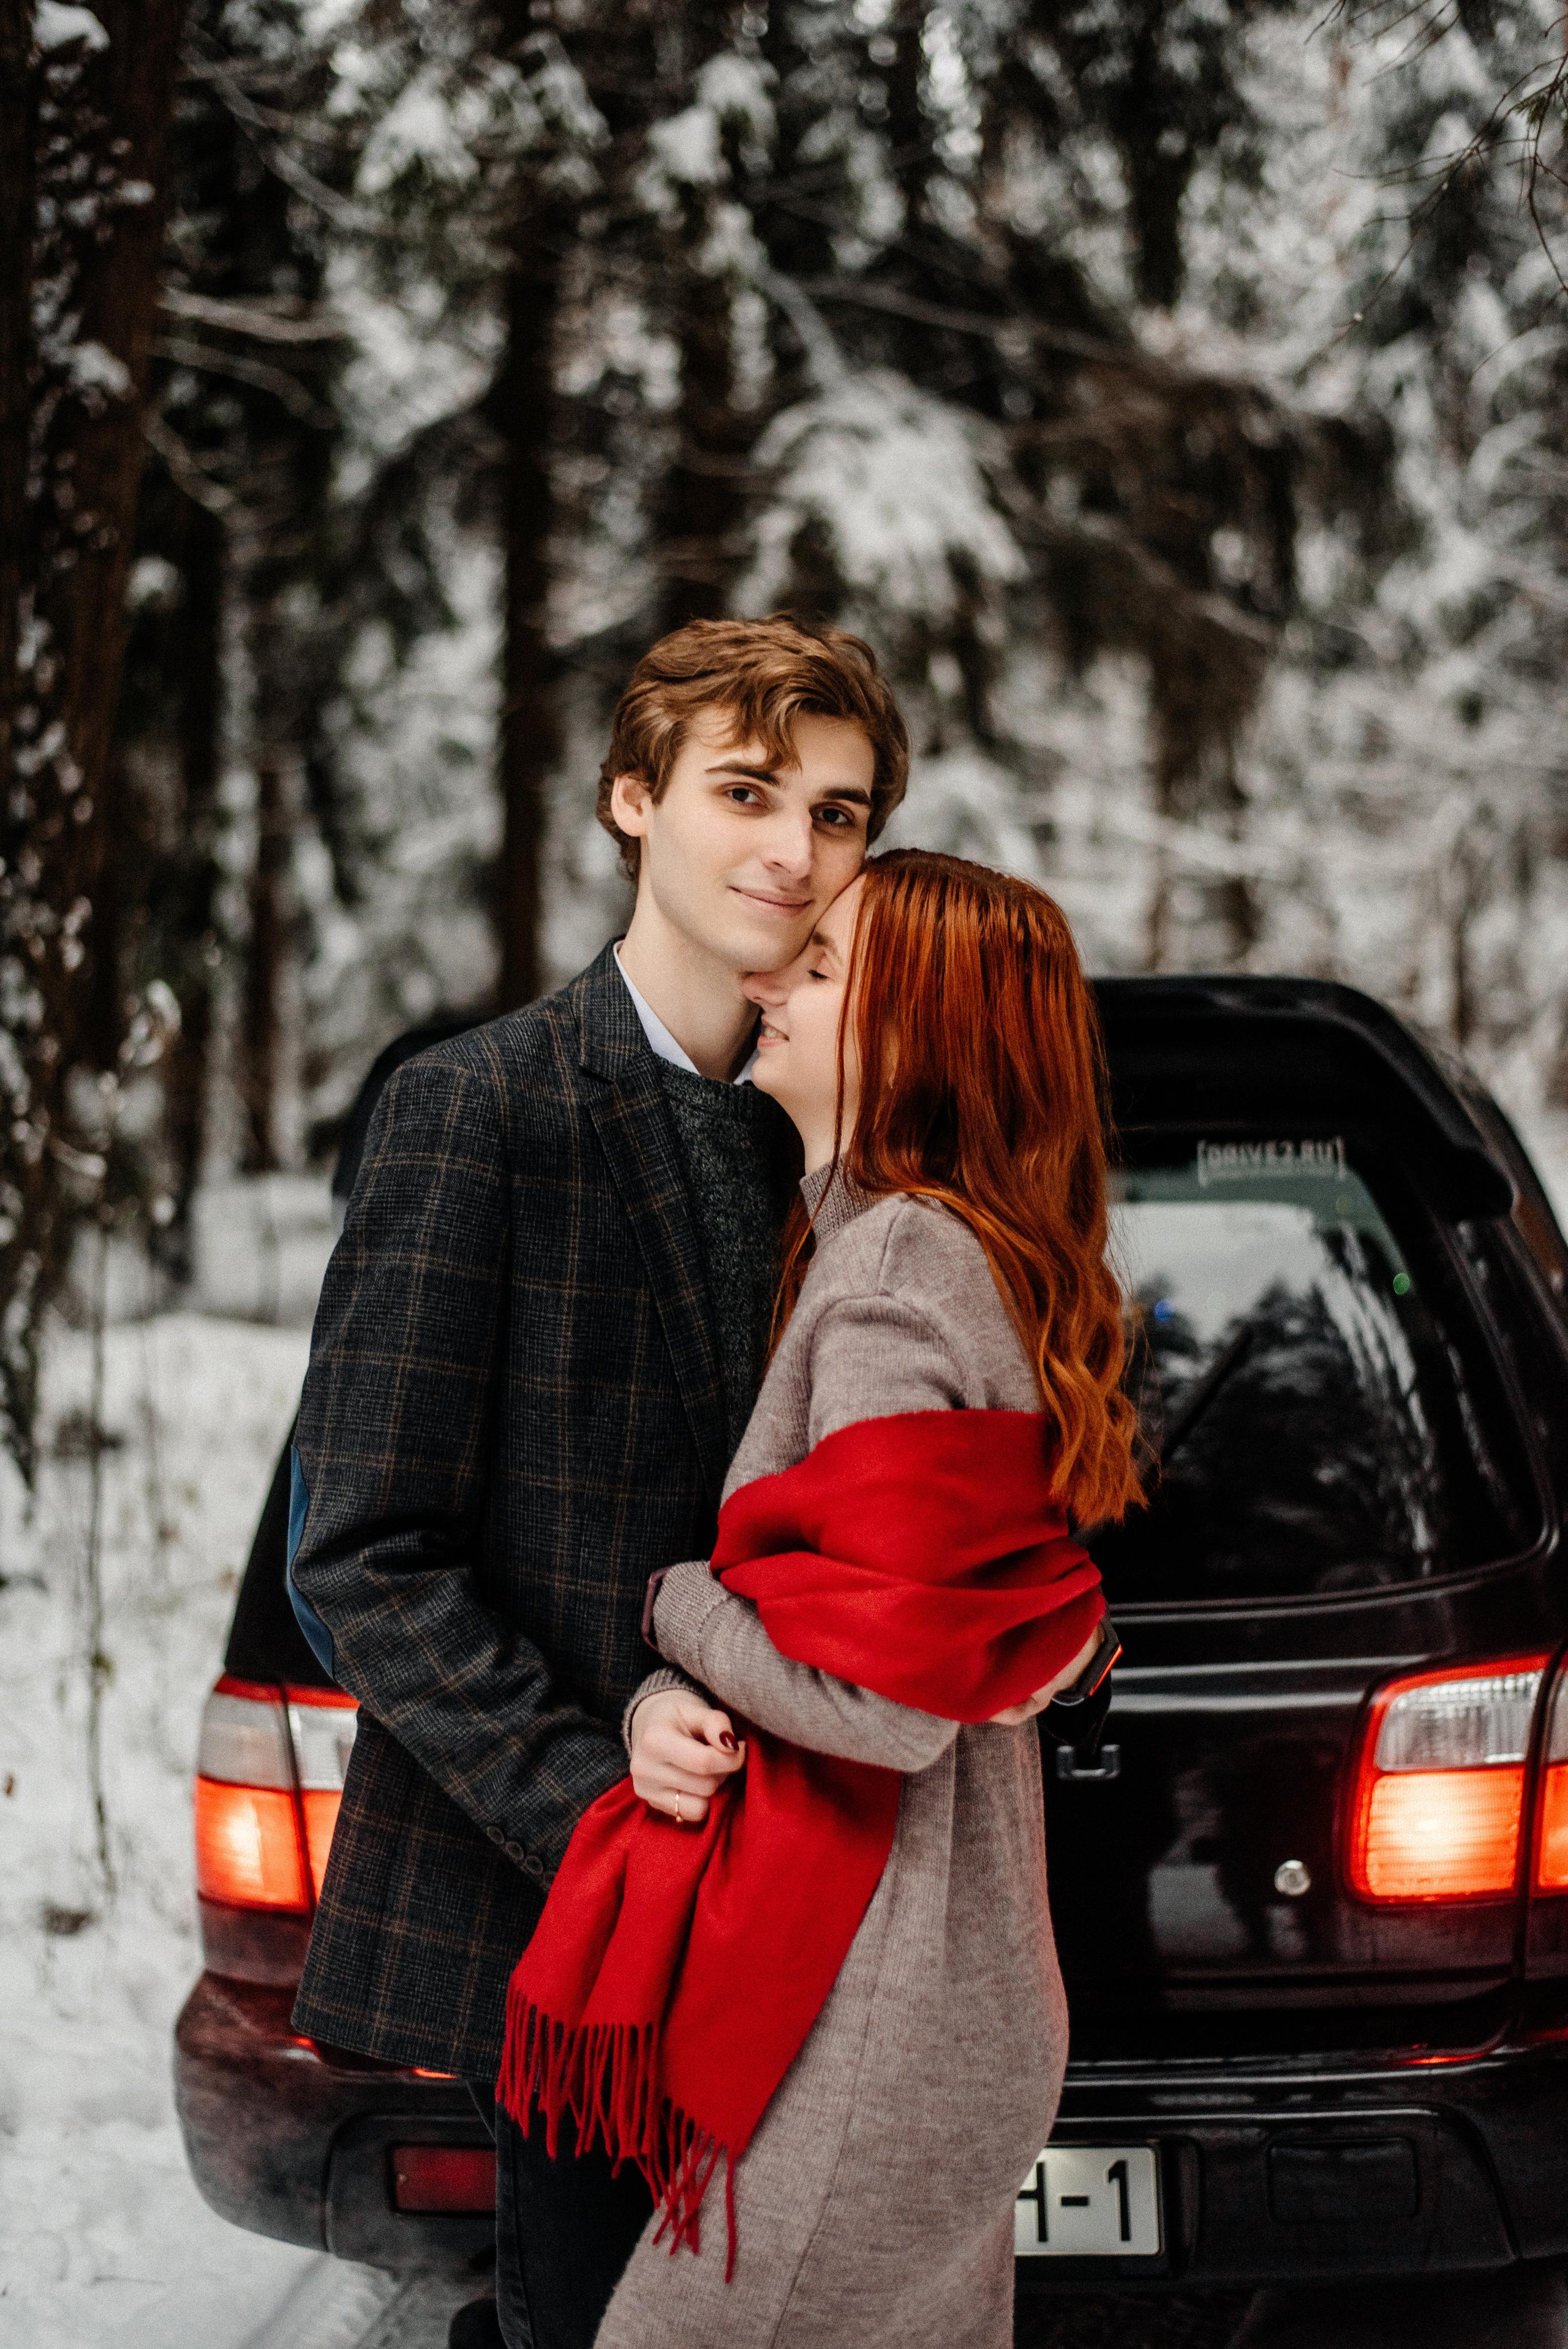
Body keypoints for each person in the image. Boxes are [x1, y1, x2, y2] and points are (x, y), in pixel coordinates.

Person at [284, 613, 910, 2349]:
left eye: (843, 814)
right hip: (589, 1945)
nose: (797, 850)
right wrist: (595, 1804)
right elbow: (365, 1554)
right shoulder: (477, 1110)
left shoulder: (869, 1132)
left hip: (847, 1938)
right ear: (634, 799)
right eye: (747, 791)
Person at [496, 848, 1142, 2349]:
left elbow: (885, 1701)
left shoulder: (894, 1268)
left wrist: (680, 1606)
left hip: (877, 2028)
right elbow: (981, 1626)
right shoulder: (944, 1253)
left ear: (919, 1033)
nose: (770, 978)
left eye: (824, 966)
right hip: (949, 2005)